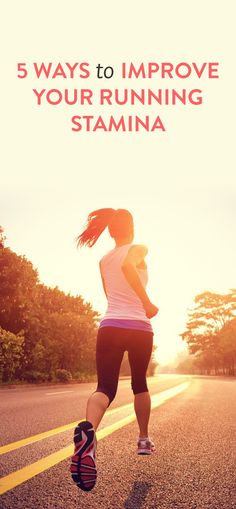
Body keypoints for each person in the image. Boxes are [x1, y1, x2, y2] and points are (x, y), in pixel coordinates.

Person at [70, 208, 159, 492]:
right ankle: (143, 439)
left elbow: (109, 293)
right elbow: (128, 268)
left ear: (110, 232)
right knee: (139, 382)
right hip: (138, 326)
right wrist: (146, 303)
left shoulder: (103, 259)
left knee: (105, 387)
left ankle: (89, 432)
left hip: (110, 324)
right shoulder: (139, 248)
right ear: (132, 227)